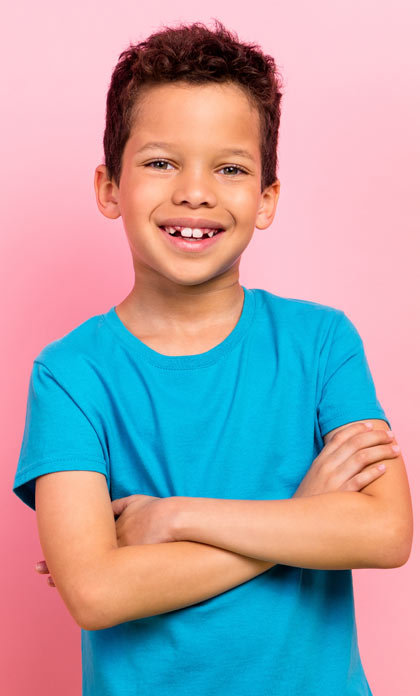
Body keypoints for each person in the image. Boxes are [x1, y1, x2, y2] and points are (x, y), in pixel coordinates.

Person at [13, 18, 412, 696]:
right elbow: (97, 593)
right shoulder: (70, 375)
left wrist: (172, 518)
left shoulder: (322, 343)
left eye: (229, 168)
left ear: (266, 199)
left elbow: (384, 532)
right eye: (162, 162)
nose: (195, 190)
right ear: (110, 187)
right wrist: (303, 516)